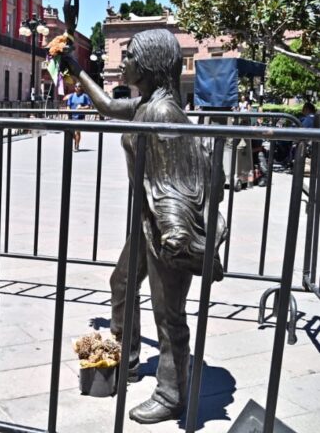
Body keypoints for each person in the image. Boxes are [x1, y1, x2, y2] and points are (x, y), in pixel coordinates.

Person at [57, 28, 226, 424]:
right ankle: (127, 357)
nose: (124, 62)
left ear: (148, 64)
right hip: (146, 222)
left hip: (169, 227)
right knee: (122, 283)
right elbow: (104, 106)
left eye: (129, 56)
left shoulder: (164, 113)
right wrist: (76, 70)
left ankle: (172, 394)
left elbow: (179, 180)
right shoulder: (146, 104)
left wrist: (174, 232)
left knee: (169, 315)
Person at [66, 82, 92, 151]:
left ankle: (76, 145)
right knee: (71, 132)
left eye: (79, 86)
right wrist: (68, 111)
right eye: (76, 86)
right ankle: (76, 141)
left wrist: (82, 108)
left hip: (80, 117)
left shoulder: (85, 96)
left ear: (81, 88)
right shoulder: (71, 96)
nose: (77, 87)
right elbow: (68, 105)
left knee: (77, 131)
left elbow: (89, 107)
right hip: (71, 116)